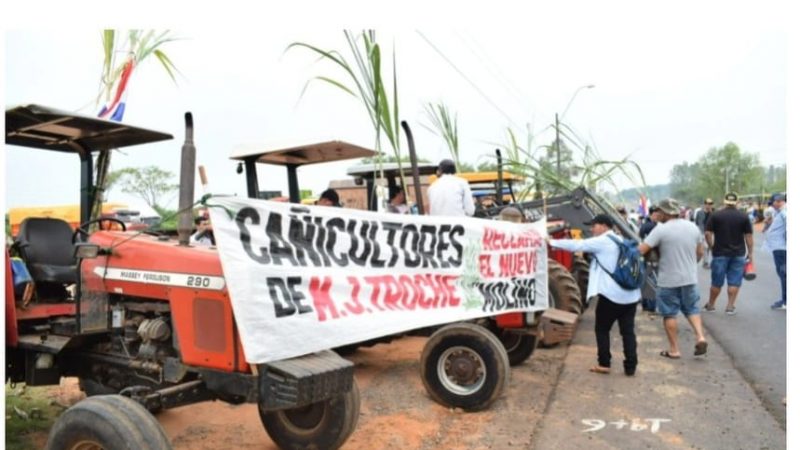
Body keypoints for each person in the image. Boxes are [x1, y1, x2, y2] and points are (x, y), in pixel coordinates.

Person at [549, 214, 641, 376]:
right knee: (628, 332)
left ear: (604, 226)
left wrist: (550, 242)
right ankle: (630, 366)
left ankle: (604, 363)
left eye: (594, 225)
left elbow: (577, 245)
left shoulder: (603, 241)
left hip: (611, 296)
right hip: (631, 296)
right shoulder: (619, 240)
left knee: (602, 329)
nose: (591, 229)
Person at [638, 198, 708, 359]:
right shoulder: (693, 227)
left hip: (668, 280)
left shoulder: (661, 230)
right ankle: (700, 336)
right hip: (690, 278)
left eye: (659, 212)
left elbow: (642, 250)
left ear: (664, 213)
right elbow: (700, 252)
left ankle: (674, 350)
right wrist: (690, 265)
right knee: (692, 309)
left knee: (669, 314)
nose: (658, 214)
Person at [703, 192, 754, 315]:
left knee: (716, 282)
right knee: (734, 281)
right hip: (738, 254)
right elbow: (749, 236)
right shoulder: (743, 216)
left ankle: (711, 305)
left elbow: (707, 234)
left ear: (725, 201)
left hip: (719, 253)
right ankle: (730, 307)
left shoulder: (716, 215)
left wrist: (711, 247)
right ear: (736, 202)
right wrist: (750, 254)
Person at [765, 193, 786, 310]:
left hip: (781, 248)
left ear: (778, 201)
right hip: (779, 247)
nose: (772, 204)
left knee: (784, 274)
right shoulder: (780, 212)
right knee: (783, 274)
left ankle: (785, 301)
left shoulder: (784, 212)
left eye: (773, 201)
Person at [638, 206, 661, 313]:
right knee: (652, 280)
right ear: (651, 214)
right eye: (656, 214)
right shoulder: (651, 226)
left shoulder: (645, 224)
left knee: (647, 280)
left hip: (647, 256)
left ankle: (646, 305)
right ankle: (651, 306)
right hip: (651, 256)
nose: (658, 216)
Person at [694, 198, 714, 268]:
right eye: (707, 204)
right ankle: (705, 262)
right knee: (705, 247)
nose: (708, 205)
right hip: (702, 232)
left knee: (709, 247)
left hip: (710, 232)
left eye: (710, 204)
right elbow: (698, 223)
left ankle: (706, 261)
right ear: (704, 204)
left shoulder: (713, 213)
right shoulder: (700, 212)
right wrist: (702, 232)